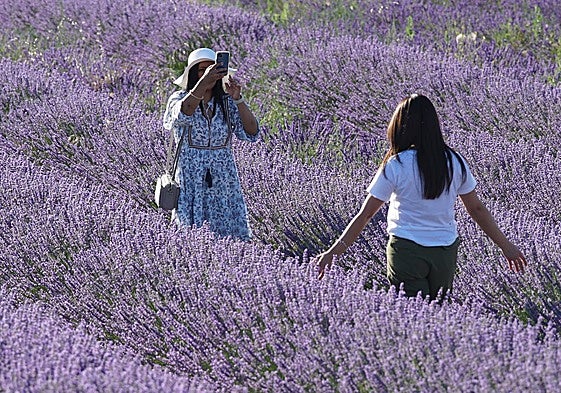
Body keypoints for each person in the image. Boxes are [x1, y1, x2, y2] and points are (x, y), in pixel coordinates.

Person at [316, 94, 527, 300]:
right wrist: (505, 246)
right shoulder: (454, 161)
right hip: (444, 253)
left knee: (412, 315)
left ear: (400, 128)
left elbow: (366, 215)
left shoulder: (396, 165)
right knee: (439, 313)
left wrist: (333, 253)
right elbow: (476, 209)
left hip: (407, 251)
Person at [163, 47, 260, 241]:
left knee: (229, 234)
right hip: (192, 176)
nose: (208, 74)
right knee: (191, 234)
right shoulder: (179, 98)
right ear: (192, 74)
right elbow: (184, 112)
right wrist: (203, 82)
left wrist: (238, 99)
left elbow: (251, 131)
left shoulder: (225, 102)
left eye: (211, 69)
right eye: (201, 70)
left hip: (223, 177)